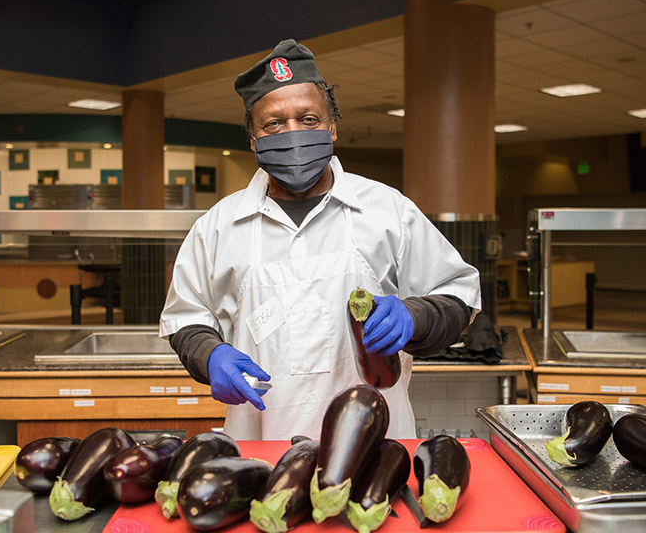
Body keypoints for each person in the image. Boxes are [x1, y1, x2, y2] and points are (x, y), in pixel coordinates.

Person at [160, 39, 481, 440]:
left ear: (332, 127)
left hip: (377, 444)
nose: (292, 133)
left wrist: (415, 316)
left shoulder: (388, 210)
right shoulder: (218, 226)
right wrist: (211, 355)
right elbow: (186, 318)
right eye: (274, 123)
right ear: (253, 139)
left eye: (308, 119)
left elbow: (459, 296)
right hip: (261, 445)